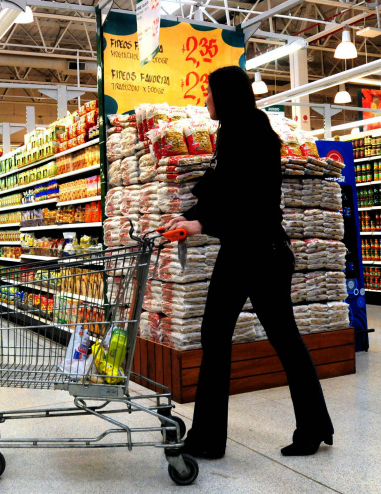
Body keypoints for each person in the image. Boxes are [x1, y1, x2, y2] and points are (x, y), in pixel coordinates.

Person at [166, 66, 334, 458]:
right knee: (234, 337)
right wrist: (189, 215)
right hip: (246, 250)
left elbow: (246, 200)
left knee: (273, 339)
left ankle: (302, 428)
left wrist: (200, 222)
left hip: (260, 253)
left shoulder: (251, 134)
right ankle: (215, 437)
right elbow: (221, 188)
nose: (204, 99)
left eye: (208, 93)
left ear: (225, 95)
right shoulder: (236, 130)